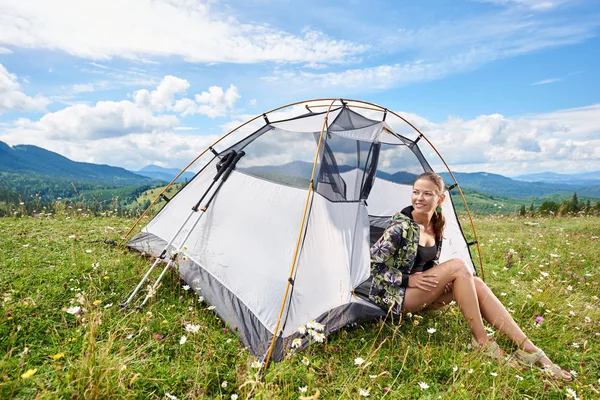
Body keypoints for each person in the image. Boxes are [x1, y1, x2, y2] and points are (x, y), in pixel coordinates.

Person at [369, 171, 571, 380]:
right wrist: (407, 279)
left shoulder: (436, 223)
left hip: (420, 292)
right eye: (416, 192)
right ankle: (482, 341)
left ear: (440, 199)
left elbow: (425, 263)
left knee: (475, 282)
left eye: (427, 194)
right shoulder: (399, 228)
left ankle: (528, 348)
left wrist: (442, 281)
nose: (419, 198)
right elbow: (370, 265)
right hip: (395, 297)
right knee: (458, 266)